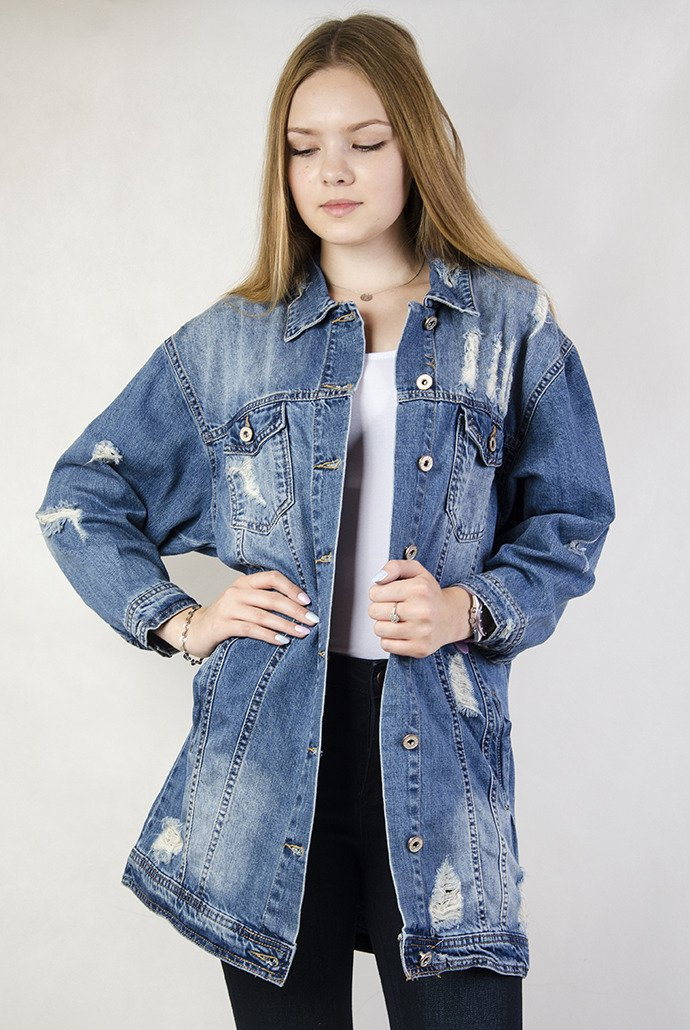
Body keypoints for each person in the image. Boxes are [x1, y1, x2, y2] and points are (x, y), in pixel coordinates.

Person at [35, 12, 615, 1030]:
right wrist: (183, 620)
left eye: (366, 141)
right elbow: (82, 495)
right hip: (264, 765)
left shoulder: (509, 325)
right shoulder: (231, 342)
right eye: (304, 148)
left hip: (440, 762)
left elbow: (570, 520)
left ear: (416, 144)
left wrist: (468, 608)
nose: (332, 171)